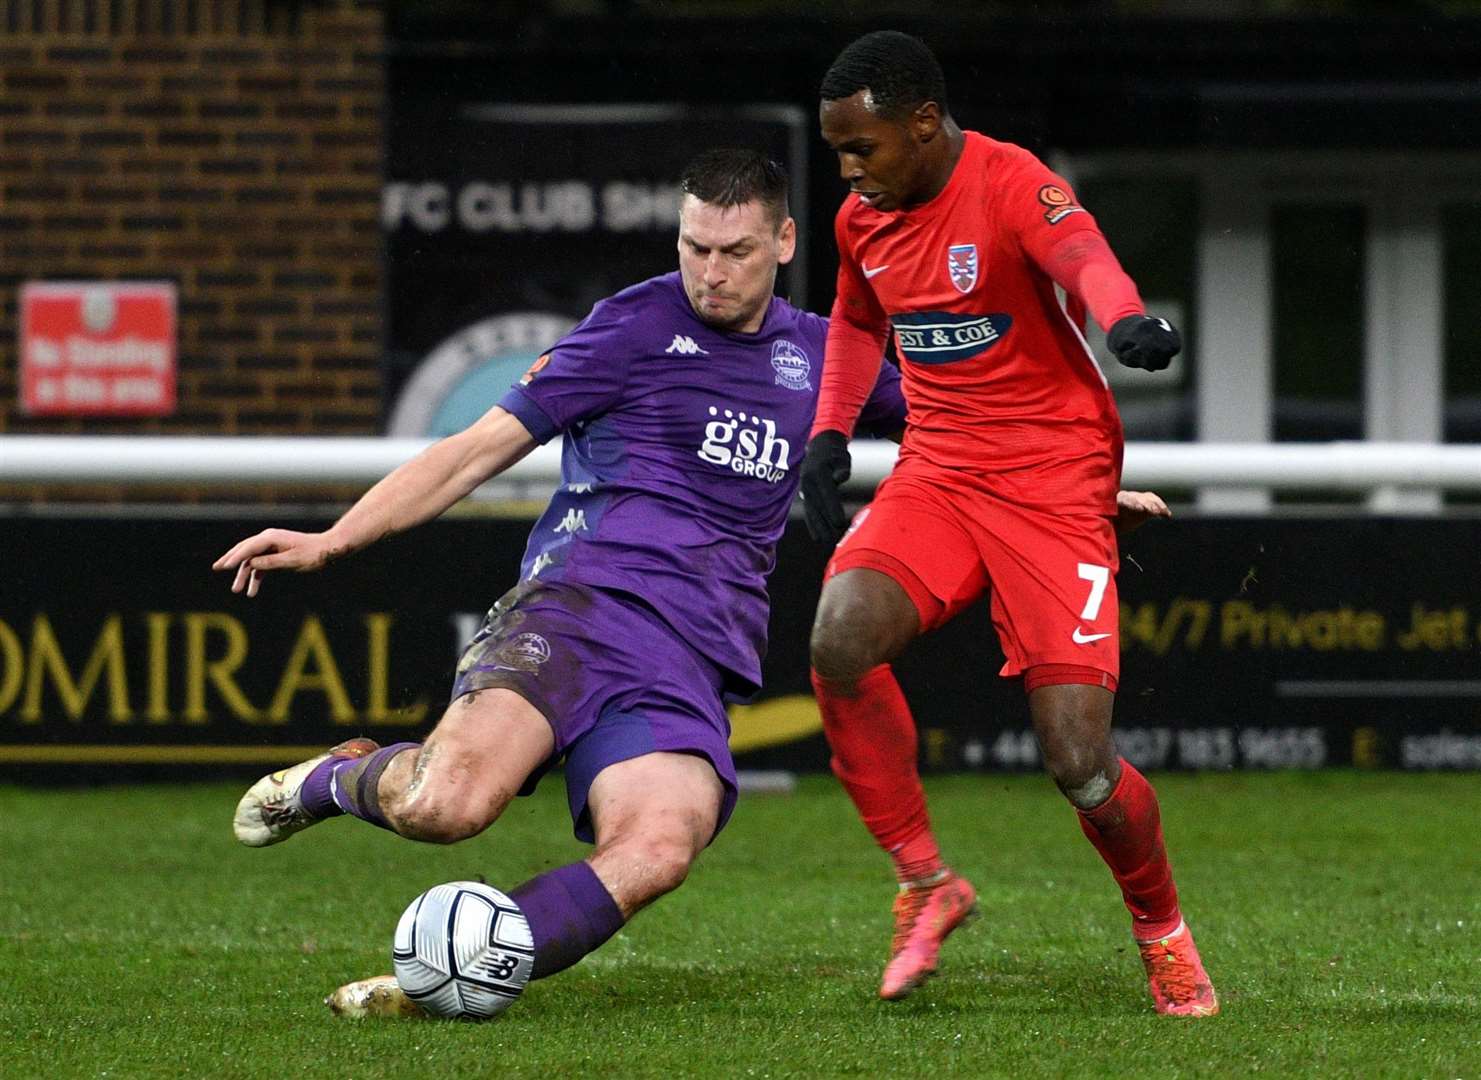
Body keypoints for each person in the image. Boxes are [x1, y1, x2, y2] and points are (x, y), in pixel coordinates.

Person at [215, 148, 907, 1015]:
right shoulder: (631, 327)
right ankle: (333, 779)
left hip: (690, 659)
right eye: (694, 247)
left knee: (658, 848)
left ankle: (453, 979)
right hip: (578, 610)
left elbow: (960, 433)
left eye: (733, 252)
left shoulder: (823, 356)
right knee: (446, 807)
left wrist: (1073, 489)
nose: (709, 272)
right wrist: (334, 540)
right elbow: (475, 449)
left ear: (783, 241)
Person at [799, 31, 1218, 1017]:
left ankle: (1160, 930)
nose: (849, 172)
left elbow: (1081, 257)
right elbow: (858, 323)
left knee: (1075, 762)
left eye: (862, 148)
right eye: (838, 154)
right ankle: (922, 883)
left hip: (1052, 479)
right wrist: (829, 435)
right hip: (938, 470)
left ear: (922, 124)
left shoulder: (1007, 182)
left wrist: (1121, 321)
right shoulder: (863, 218)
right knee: (837, 638)